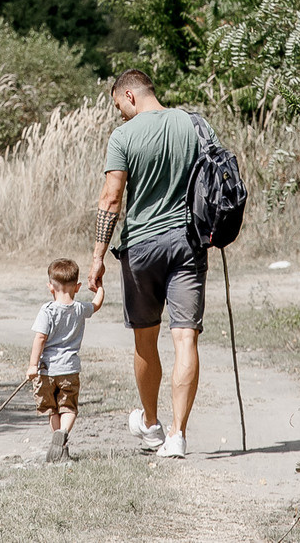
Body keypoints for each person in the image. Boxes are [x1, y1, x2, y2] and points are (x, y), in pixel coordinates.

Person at [85, 67, 201, 459]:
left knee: (145, 338)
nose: (121, 115)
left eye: (119, 106)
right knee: (185, 337)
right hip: (188, 243)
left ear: (130, 96)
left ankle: (151, 423)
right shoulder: (193, 124)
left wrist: (98, 257)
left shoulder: (124, 136)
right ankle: (177, 434)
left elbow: (111, 200)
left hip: (142, 248)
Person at [27, 257, 98, 464]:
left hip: (46, 370)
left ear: (50, 287)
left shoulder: (47, 311)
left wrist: (32, 365)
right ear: (77, 287)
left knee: (53, 409)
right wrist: (99, 287)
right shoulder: (79, 309)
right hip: (69, 370)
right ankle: (64, 434)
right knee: (69, 407)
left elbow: (40, 338)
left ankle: (57, 439)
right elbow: (97, 304)